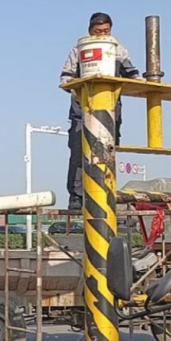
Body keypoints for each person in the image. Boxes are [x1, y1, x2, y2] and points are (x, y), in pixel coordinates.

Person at [60, 12, 141, 210]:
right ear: (90, 32)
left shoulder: (118, 50)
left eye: (106, 31)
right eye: (98, 31)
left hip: (111, 112)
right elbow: (65, 80)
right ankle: (77, 197)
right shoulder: (78, 51)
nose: (102, 34)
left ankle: (105, 191)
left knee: (108, 153)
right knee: (79, 154)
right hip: (82, 112)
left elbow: (133, 76)